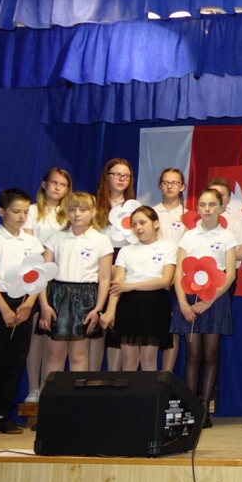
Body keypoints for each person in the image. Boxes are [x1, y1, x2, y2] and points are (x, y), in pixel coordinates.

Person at [0, 189, 45, 435]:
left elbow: (39, 276)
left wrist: (28, 304)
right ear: (1, 211)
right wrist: (5, 310)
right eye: (16, 211)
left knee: (15, 363)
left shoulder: (31, 241)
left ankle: (4, 415)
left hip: (24, 302)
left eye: (25, 212)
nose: (21, 217)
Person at [170, 188, 237, 427]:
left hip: (215, 300)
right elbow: (178, 272)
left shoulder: (227, 237)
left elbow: (230, 274)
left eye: (212, 205)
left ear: (221, 208)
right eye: (202, 205)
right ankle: (190, 410)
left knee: (210, 354)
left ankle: (204, 409)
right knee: (193, 354)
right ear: (197, 208)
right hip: (189, 298)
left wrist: (209, 301)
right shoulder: (188, 236)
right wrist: (182, 303)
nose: (207, 209)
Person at [39, 192, 114, 376]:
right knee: (54, 354)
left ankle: (75, 394)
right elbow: (43, 275)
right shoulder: (55, 239)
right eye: (72, 209)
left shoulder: (101, 241)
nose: (77, 214)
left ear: (93, 212)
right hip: (57, 296)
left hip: (86, 297)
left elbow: (104, 278)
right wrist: (44, 306)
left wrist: (97, 309)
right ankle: (51, 393)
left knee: (79, 355)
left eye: (83, 210)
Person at [101, 207, 176, 371]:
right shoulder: (126, 251)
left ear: (155, 224)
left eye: (142, 223)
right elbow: (117, 285)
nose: (138, 228)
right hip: (129, 305)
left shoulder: (168, 248)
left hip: (155, 304)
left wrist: (130, 286)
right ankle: (129, 389)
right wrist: (110, 311)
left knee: (149, 359)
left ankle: (149, 390)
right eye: (134, 224)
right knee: (129, 360)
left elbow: (165, 281)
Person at [22, 167, 72, 404]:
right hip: (37, 274)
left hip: (63, 278)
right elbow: (29, 243)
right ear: (44, 185)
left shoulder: (69, 212)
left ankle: (47, 388)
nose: (57, 188)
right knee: (36, 336)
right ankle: (33, 389)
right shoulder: (32, 211)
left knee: (54, 338)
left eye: (62, 184)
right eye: (53, 182)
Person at [94, 158, 136, 373]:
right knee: (94, 328)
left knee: (117, 326)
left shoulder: (135, 208)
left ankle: (113, 379)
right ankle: (90, 379)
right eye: (117, 174)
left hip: (124, 266)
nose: (121, 179)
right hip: (96, 264)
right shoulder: (93, 205)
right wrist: (103, 267)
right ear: (106, 176)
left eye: (126, 175)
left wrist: (119, 268)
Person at [153, 168, 187, 373]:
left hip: (178, 276)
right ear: (160, 185)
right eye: (166, 182)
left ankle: (166, 376)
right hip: (153, 275)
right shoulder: (151, 212)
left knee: (173, 327)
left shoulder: (189, 215)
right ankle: (148, 377)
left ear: (182, 186)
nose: (170, 187)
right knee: (152, 325)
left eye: (175, 183)